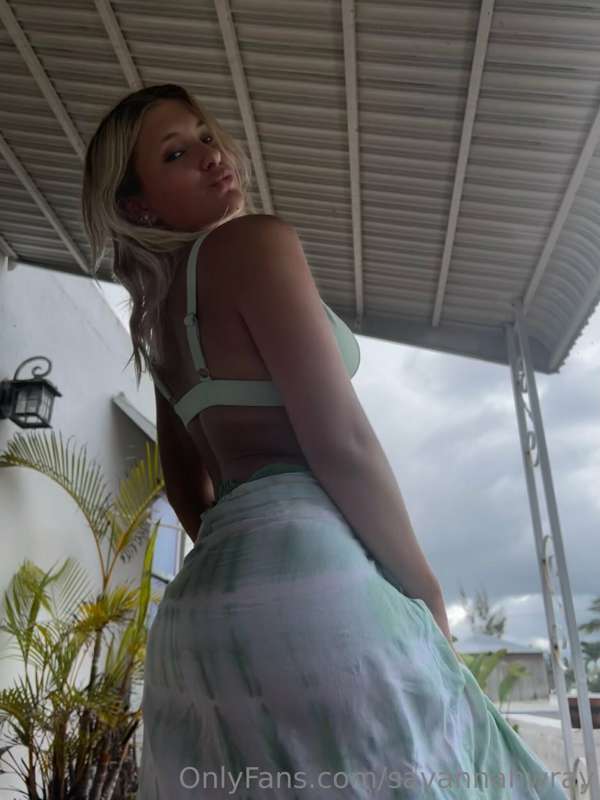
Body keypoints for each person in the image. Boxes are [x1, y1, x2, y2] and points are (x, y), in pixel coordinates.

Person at [82, 84, 569, 799]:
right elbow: (341, 440)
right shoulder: (255, 243)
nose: (211, 157)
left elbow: (188, 489)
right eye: (176, 154)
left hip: (200, 621)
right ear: (138, 207)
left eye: (206, 136)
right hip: (315, 583)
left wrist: (249, 566)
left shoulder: (157, 318)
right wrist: (426, 590)